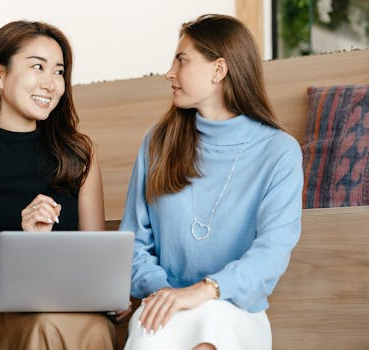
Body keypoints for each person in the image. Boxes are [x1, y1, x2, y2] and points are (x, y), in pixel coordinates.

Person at [0, 20, 123, 350]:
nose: (51, 83)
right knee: (45, 326)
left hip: (68, 306)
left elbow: (95, 256)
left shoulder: (81, 154)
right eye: (38, 67)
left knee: (95, 327)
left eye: (59, 71)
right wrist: (23, 246)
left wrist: (110, 292)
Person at [120, 14, 303, 350]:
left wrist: (205, 290)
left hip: (236, 312)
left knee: (212, 326)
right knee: (151, 337)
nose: (169, 73)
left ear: (219, 70)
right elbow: (132, 244)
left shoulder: (279, 152)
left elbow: (272, 252)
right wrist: (167, 293)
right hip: (165, 305)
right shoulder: (157, 143)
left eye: (181, 60)